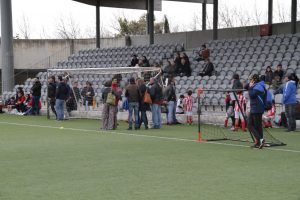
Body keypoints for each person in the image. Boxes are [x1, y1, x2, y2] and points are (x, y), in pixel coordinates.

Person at [247, 74, 266, 149]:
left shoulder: (258, 86)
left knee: (256, 126)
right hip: (255, 108)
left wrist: (250, 87)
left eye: (251, 80)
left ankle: (260, 141)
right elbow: (246, 86)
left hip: (257, 108)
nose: (250, 81)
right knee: (251, 124)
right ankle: (260, 141)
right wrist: (250, 86)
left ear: (254, 80)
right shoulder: (257, 85)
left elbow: (251, 94)